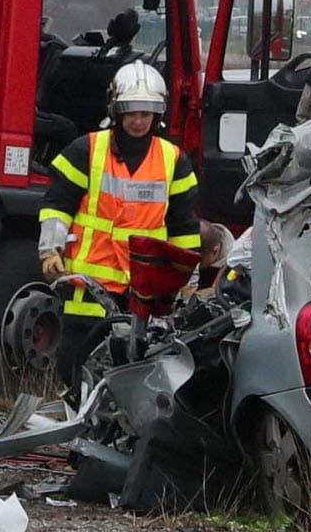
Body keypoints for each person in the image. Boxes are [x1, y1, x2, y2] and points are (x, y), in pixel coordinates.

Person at [38, 61, 201, 386]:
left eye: (146, 113)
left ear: (157, 114)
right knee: (75, 366)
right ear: (116, 110)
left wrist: (187, 278)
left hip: (145, 288)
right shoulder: (87, 150)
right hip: (89, 286)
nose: (139, 121)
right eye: (131, 112)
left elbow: (184, 226)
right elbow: (58, 205)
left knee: (136, 370)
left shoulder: (173, 160)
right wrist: (49, 250)